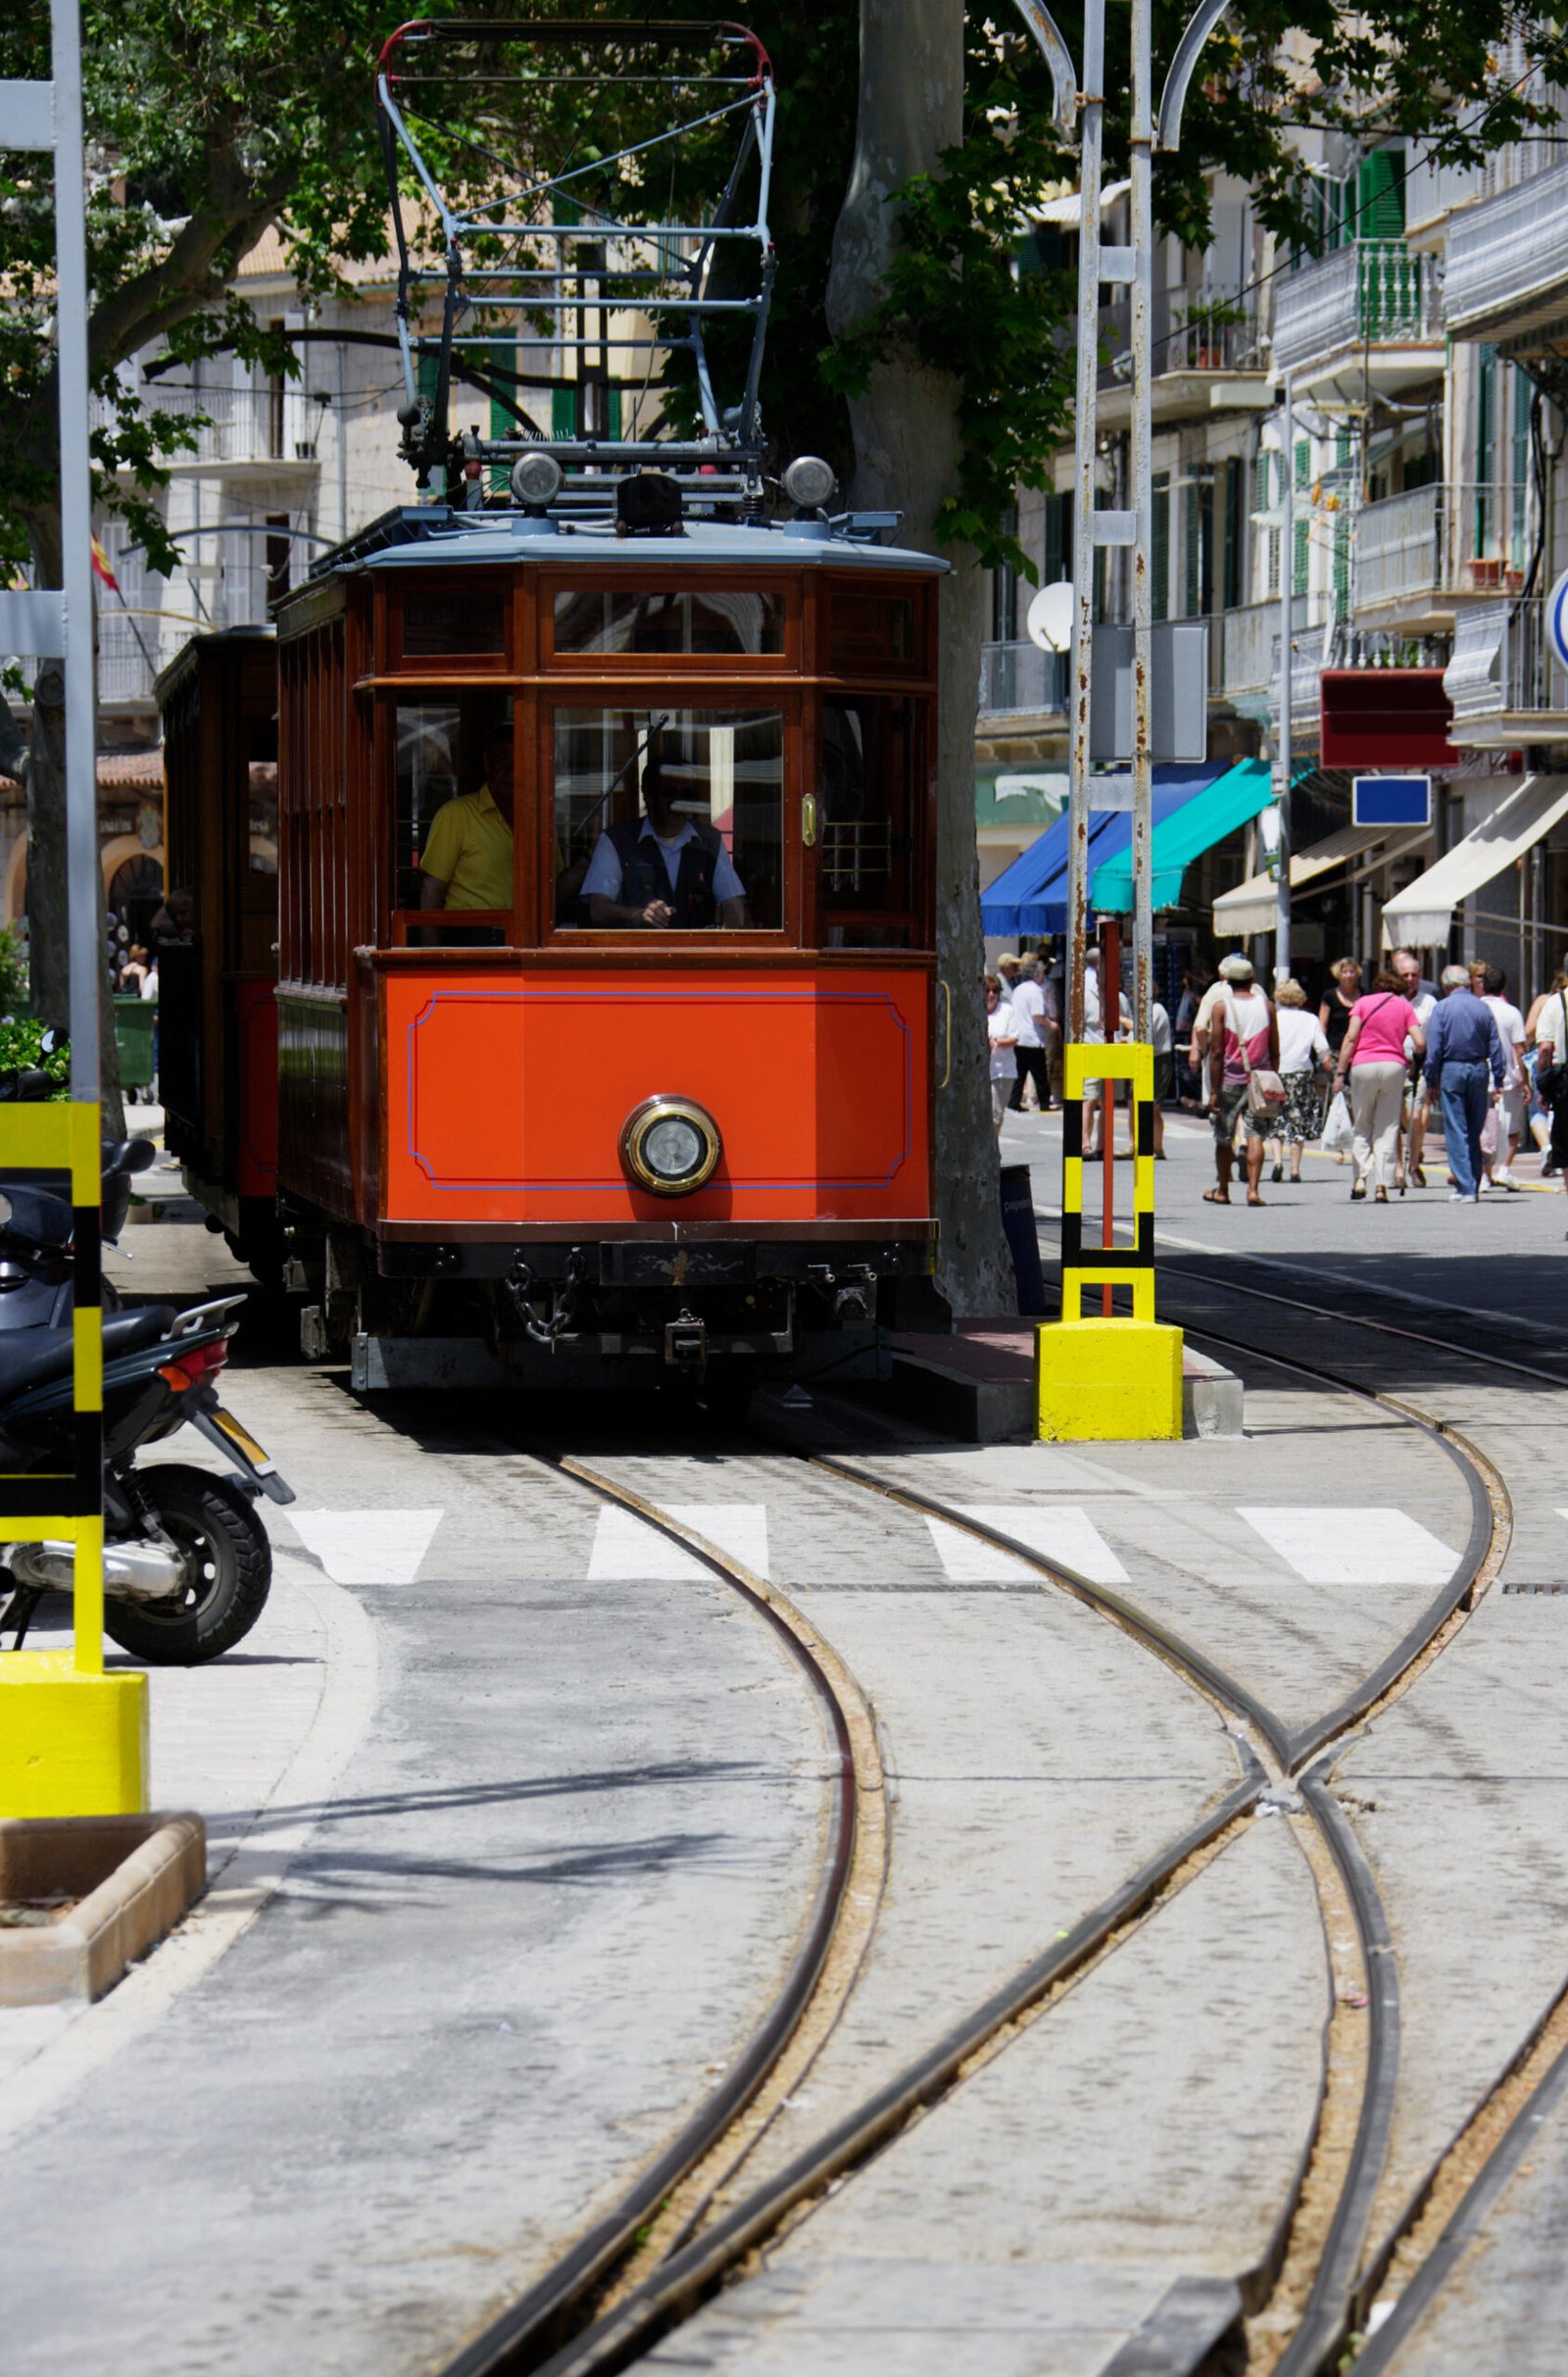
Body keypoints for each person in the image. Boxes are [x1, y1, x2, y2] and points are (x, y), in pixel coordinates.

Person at [582, 760, 746, 928]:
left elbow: (733, 906)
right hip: (638, 951)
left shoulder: (710, 840)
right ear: (648, 795)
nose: (679, 802)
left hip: (694, 952)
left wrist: (728, 925)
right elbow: (598, 911)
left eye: (687, 794)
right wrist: (637, 916)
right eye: (669, 792)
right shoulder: (615, 840)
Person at [1332, 966, 1426, 1203]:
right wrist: (1414, 1058)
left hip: (1363, 1065)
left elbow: (1351, 1037)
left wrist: (1341, 1070)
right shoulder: (1405, 1006)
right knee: (1388, 1127)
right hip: (1394, 1066)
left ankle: (1360, 1178)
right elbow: (1420, 1041)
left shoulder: (1362, 1003)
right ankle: (1382, 1184)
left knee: (1363, 1124)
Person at [1193, 953, 1278, 1207]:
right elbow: (1275, 1049)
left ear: (1227, 981)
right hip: (1260, 1079)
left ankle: (1223, 1189)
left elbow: (1217, 1051)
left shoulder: (1222, 1007)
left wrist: (1214, 1090)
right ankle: (1253, 1190)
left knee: (1224, 1137)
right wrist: (1272, 1079)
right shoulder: (1267, 1006)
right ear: (1252, 979)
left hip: (1229, 1078)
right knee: (1255, 1135)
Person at [1422, 965, 1507, 1203]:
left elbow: (1434, 1048)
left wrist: (1431, 1079)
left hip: (1452, 1068)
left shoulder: (1442, 1008)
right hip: (1479, 1068)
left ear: (1447, 985)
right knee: (1474, 1127)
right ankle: (1474, 1183)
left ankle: (1465, 1186)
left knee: (1456, 1128)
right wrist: (1499, 1077)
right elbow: (1495, 1045)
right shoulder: (1482, 1007)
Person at [419, 729, 515, 934]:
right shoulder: (455, 815)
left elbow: (553, 889)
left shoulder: (537, 820)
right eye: (503, 759)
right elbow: (432, 889)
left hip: (525, 941)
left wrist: (587, 860)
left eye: (521, 761)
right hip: (470, 938)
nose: (512, 771)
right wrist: (431, 953)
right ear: (487, 763)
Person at [1470, 961, 1527, 1189]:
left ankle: (1485, 1174)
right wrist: (1524, 1080)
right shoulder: (1512, 1012)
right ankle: (1504, 1168)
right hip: (1508, 1079)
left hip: (1480, 1077)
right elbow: (1518, 1050)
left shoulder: (1475, 1009)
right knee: (1512, 1129)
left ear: (1483, 985)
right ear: (1504, 988)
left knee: (1483, 1128)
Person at [1272, 979, 1330, 1183]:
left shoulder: (1275, 1018)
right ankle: (1295, 1169)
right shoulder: (1310, 1019)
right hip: (1301, 1074)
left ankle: (1278, 1161)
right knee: (1297, 1120)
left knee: (1276, 1117)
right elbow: (1322, 1048)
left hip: (1277, 1072)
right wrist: (1327, 1063)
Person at [1390, 947, 1438, 1188]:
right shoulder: (1390, 1000)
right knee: (1394, 1120)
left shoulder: (1430, 1002)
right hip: (1394, 1064)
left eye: (1414, 975)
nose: (1409, 979)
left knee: (1416, 1117)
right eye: (1405, 975)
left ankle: (1414, 1164)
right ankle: (1398, 1168)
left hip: (1420, 1066)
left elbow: (1436, 1036)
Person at [1529, 969, 1568, 1224]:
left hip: (1566, 1081)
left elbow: (1544, 1049)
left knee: (1566, 1144)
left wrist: (1543, 1085)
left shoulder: (1556, 1002)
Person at [1319, 957, 1362, 1161]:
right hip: (1336, 1051)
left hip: (1359, 1050)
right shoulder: (1329, 996)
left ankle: (1355, 1138)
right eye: (1345, 971)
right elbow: (1322, 1025)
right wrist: (1323, 1053)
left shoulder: (1363, 995)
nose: (1348, 975)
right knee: (1340, 1094)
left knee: (1357, 1096)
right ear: (1339, 973)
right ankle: (1338, 1142)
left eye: (1352, 971)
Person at [1008, 961, 1052, 1114]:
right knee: (1040, 1074)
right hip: (1033, 1039)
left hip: (1019, 1036)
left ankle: (1013, 1102)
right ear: (1037, 974)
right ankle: (1044, 1103)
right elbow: (1037, 1015)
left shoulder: (1018, 989)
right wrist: (1051, 1025)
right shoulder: (1036, 991)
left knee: (1019, 1073)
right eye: (1042, 973)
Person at [985, 973, 1017, 1140]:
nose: (991, 994)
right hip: (980, 1072)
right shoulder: (975, 1012)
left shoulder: (1007, 1010)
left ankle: (991, 1150)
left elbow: (1014, 1037)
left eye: (995, 991)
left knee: (996, 1114)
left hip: (1002, 1071)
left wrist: (997, 1041)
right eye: (987, 990)